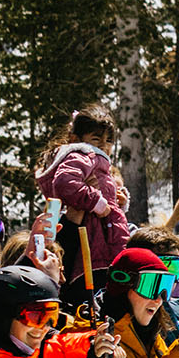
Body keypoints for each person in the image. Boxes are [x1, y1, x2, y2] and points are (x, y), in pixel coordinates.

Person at [35, 108, 131, 300]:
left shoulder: (98, 162)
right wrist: (97, 202)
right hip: (90, 250)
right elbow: (64, 183)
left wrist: (117, 204)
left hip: (104, 246)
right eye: (96, 139)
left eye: (109, 140)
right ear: (74, 139)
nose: (103, 145)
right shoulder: (83, 155)